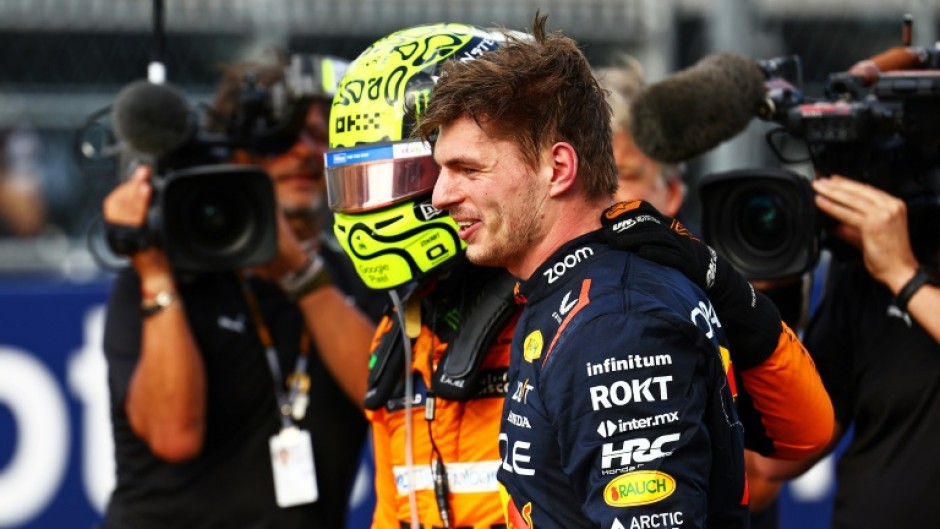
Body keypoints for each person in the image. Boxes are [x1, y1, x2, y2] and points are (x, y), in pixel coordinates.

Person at [418, 15, 832, 528]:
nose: (440, 196)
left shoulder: (615, 319)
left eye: (468, 170)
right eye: (441, 170)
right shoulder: (564, 290)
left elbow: (800, 437)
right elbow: (808, 432)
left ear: (559, 168)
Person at [100, 53, 383, 529]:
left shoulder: (363, 276)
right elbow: (174, 436)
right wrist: (156, 275)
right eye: (276, 137)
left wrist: (301, 274)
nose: (301, 152)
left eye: (317, 134)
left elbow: (390, 400)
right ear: (232, 151)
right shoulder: (162, 272)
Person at [595, 59, 785, 528]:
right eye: (596, 173)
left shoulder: (721, 289)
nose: (609, 193)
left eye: (628, 173)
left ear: (673, 192)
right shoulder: (534, 289)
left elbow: (760, 481)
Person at [754, 174, 940, 528]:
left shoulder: (894, 271)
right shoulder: (865, 276)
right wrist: (770, 304)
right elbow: (776, 459)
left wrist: (904, 276)